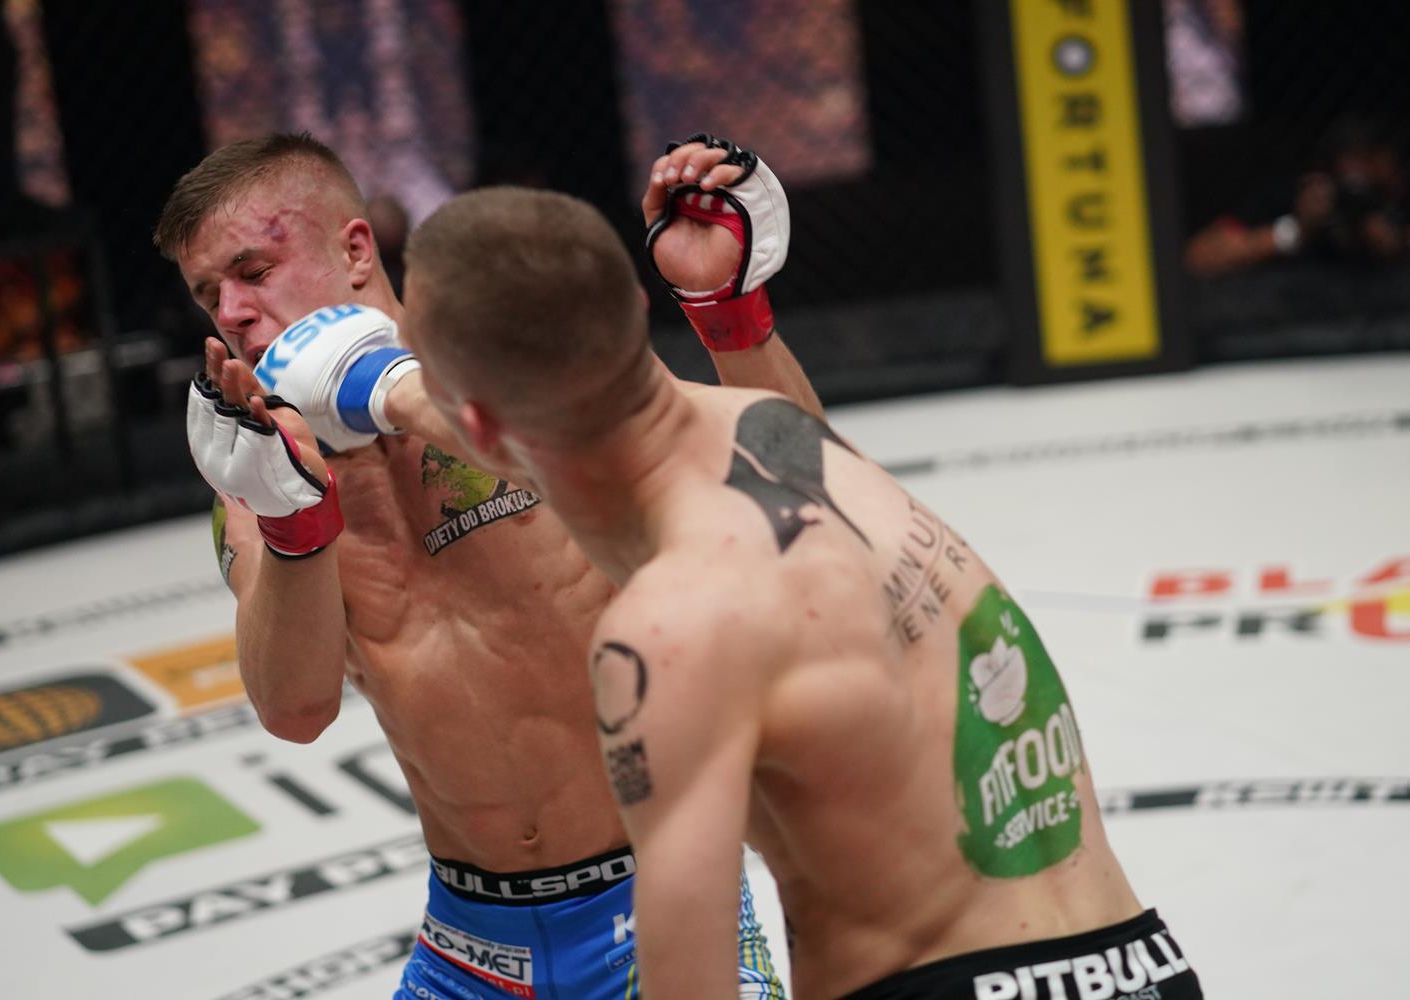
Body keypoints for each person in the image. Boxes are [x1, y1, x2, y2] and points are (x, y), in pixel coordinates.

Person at [379, 180, 1206, 999]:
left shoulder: (667, 631)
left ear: (476, 428)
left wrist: (385, 387)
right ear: (633, 306)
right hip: (1141, 966)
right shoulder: (784, 437)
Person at [156, 131, 817, 998]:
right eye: (210, 294)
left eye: (254, 271)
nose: (234, 311)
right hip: (471, 950)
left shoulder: (516, 356)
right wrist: (292, 525)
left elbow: (804, 502)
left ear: (355, 251)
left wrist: (729, 316)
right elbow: (296, 708)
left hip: (660, 907)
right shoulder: (255, 472)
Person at [1183, 113, 1409, 277]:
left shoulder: (1393, 200)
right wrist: (1296, 231)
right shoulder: (1297, 200)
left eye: (1369, 163)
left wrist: (1395, 243)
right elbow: (1198, 256)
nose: (1358, 181)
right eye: (1351, 166)